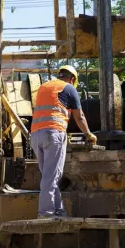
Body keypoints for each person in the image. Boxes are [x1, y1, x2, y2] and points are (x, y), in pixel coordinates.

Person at [31, 65, 97, 218]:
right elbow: (79, 117)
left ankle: (59, 211)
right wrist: (88, 134)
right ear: (72, 79)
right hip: (53, 133)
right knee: (51, 176)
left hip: (36, 135)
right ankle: (46, 214)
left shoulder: (43, 87)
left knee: (49, 175)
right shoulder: (69, 88)